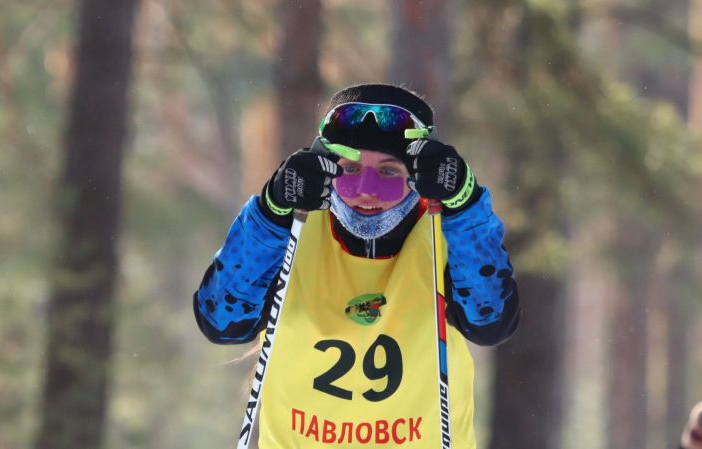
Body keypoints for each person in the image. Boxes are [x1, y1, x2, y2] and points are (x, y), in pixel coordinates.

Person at [193, 84, 520, 448]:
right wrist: (271, 211)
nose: (366, 190)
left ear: (417, 179)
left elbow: (491, 324)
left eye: (389, 173)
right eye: (349, 169)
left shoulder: (444, 234)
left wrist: (465, 201)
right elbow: (221, 323)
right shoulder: (294, 230)